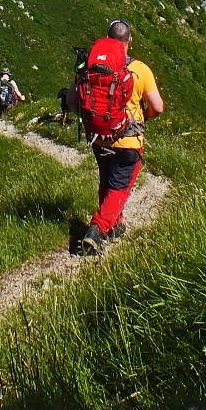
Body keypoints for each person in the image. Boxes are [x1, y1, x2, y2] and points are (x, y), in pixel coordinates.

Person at [79, 20, 163, 255]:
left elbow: (75, 101)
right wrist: (143, 116)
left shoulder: (92, 66)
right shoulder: (141, 69)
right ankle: (98, 228)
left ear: (107, 38)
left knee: (107, 182)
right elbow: (158, 107)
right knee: (119, 187)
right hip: (128, 140)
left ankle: (115, 223)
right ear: (130, 41)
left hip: (100, 136)